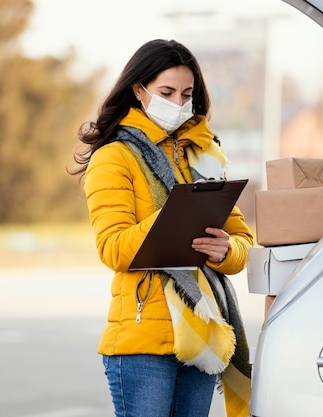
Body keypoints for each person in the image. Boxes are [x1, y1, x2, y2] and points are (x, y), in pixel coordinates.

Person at [70, 39, 254, 417]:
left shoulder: (202, 155)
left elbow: (242, 242)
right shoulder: (113, 157)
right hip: (141, 341)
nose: (178, 103)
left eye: (186, 94)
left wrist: (226, 250)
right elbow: (113, 248)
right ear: (139, 91)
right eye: (166, 92)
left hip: (203, 335)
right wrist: (174, 218)